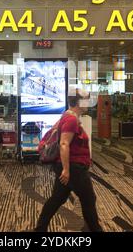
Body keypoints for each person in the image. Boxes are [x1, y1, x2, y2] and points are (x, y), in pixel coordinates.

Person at [35, 92, 103, 232]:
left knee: (57, 199)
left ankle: (40, 229)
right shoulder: (71, 119)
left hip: (68, 166)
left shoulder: (68, 116)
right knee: (89, 199)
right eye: (86, 100)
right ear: (78, 102)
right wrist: (66, 169)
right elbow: (64, 144)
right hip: (73, 167)